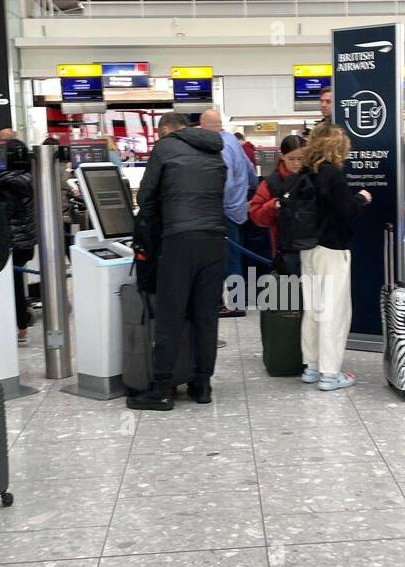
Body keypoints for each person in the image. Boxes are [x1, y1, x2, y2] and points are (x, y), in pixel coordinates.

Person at [126, 112, 227, 411]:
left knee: (170, 315)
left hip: (179, 239)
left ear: (167, 129)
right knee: (206, 316)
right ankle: (202, 384)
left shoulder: (165, 147)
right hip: (214, 240)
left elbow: (146, 197)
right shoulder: (214, 148)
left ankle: (161, 389)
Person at [299, 125, 371, 391]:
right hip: (332, 248)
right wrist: (362, 199)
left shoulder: (306, 173)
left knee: (314, 308)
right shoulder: (334, 175)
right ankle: (330, 373)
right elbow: (346, 211)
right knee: (334, 311)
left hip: (308, 246)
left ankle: (312, 366)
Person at [199, 107, 252, 316]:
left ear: (205, 128)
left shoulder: (219, 147)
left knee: (227, 260)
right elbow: (249, 169)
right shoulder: (232, 140)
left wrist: (213, 206)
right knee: (234, 257)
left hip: (224, 211)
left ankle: (234, 304)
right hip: (237, 210)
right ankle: (236, 301)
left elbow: (225, 183)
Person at [0, 138, 37, 346]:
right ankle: (21, 324)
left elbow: (2, 213)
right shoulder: (28, 178)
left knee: (13, 286)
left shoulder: (8, 183)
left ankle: (20, 325)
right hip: (25, 240)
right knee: (16, 284)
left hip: (11, 242)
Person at [248, 133, 306, 275]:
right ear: (282, 156)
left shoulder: (314, 177)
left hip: (314, 247)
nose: (296, 163)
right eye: (291, 159)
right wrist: (273, 205)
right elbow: (256, 215)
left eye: (301, 159)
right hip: (285, 249)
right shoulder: (271, 183)